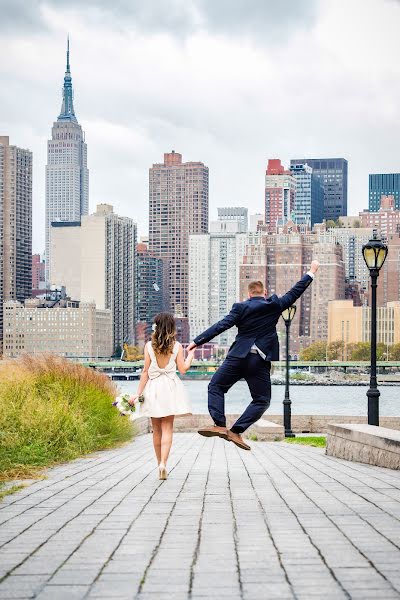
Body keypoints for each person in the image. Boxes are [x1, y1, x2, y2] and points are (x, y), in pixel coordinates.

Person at [187, 261, 320, 451]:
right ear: (264, 293)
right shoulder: (274, 305)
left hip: (237, 357)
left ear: (248, 294)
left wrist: (197, 341)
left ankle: (220, 425)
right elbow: (295, 291)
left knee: (215, 386)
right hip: (259, 359)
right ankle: (236, 431)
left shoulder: (240, 308)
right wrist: (311, 272)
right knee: (262, 400)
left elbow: (221, 325)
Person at [129, 313, 194, 480]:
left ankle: (159, 463)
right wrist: (191, 356)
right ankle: (164, 463)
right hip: (170, 388)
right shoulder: (177, 346)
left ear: (156, 327)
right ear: (171, 328)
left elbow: (145, 372)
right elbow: (183, 369)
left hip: (154, 388)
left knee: (156, 430)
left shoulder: (149, 346)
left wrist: (138, 393)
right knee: (167, 429)